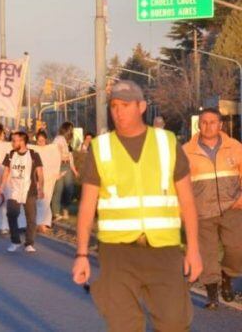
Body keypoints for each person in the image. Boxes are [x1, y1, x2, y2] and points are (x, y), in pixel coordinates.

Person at [72, 80, 201, 331]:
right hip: (117, 254)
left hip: (163, 251)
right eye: (114, 106)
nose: (118, 112)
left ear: (141, 106)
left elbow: (187, 201)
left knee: (174, 323)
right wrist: (81, 254)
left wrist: (194, 249)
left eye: (125, 105)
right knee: (124, 326)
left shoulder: (167, 143)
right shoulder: (101, 148)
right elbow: (87, 207)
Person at [183, 107, 242, 309]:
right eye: (204, 122)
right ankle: (212, 294)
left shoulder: (235, 147)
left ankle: (227, 276)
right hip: (202, 211)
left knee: (237, 249)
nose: (208, 126)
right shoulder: (186, 151)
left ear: (220, 125)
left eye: (213, 122)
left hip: (232, 207)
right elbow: (180, 183)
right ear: (199, 125)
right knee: (207, 253)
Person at [1, 132, 44, 253]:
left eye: (16, 140)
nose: (13, 143)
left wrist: (41, 188)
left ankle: (29, 243)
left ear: (23, 141)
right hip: (14, 189)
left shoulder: (33, 154)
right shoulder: (10, 154)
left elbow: (40, 173)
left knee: (31, 217)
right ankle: (15, 241)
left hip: (29, 190)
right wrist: (1, 187)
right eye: (12, 141)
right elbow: (6, 172)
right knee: (11, 214)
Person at [51, 122, 78, 221]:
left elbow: (70, 157)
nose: (72, 131)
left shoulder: (68, 141)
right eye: (71, 129)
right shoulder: (58, 139)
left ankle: (65, 209)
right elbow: (55, 152)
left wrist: (74, 170)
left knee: (69, 189)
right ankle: (56, 212)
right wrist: (56, 169)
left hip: (67, 165)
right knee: (58, 189)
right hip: (59, 165)